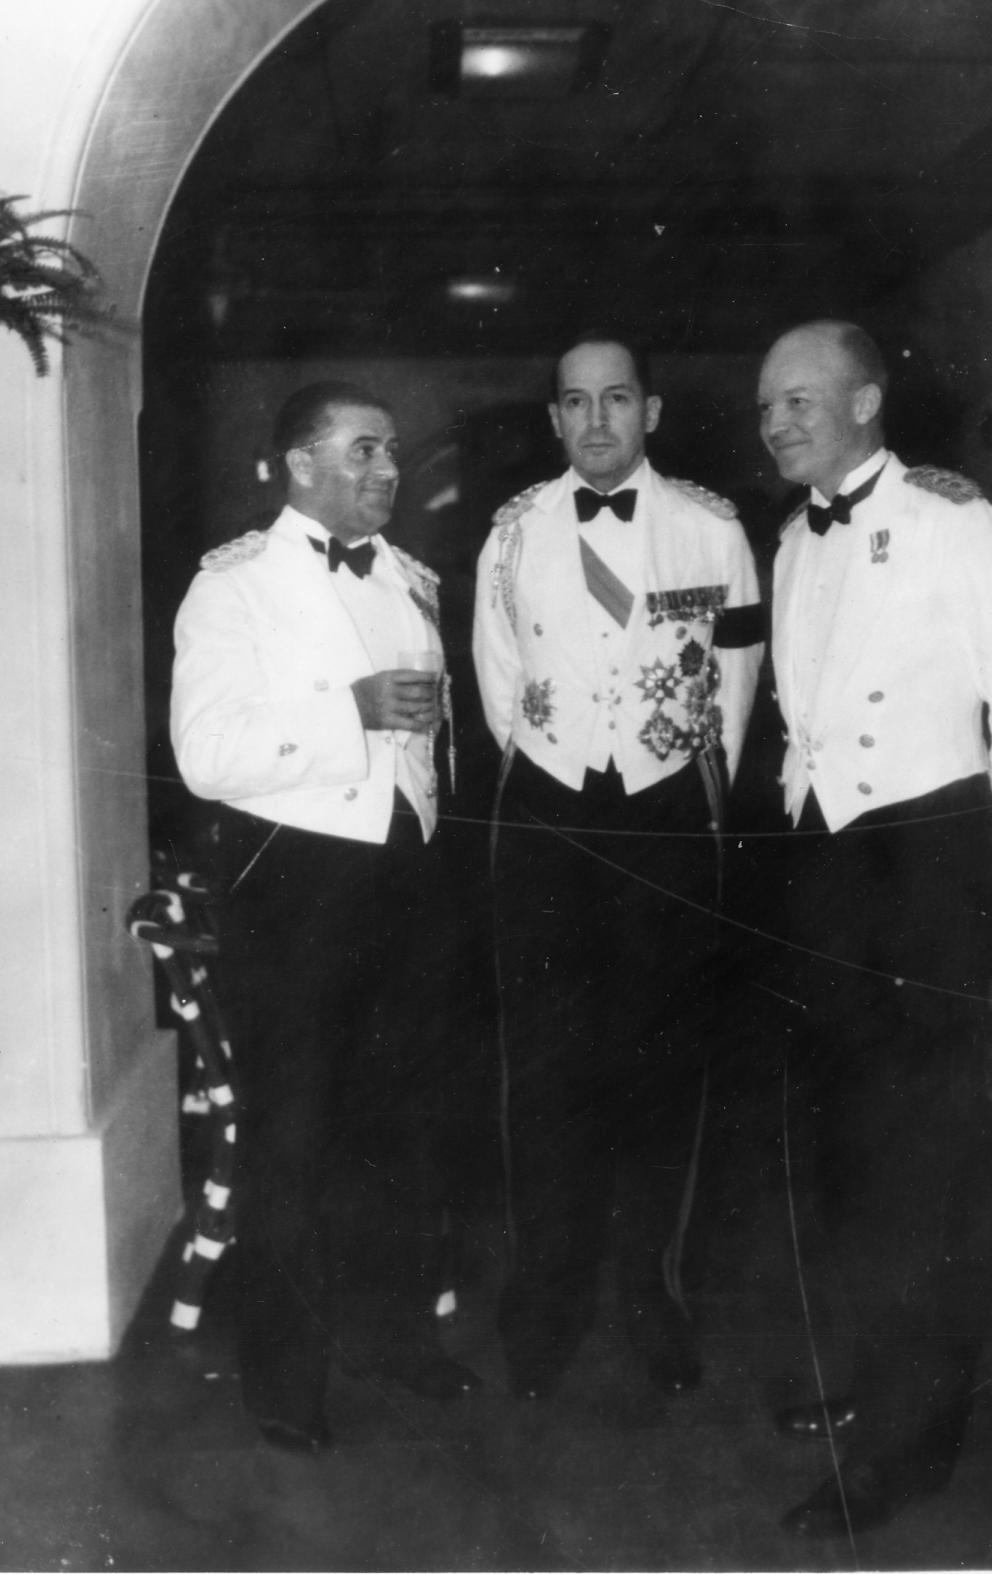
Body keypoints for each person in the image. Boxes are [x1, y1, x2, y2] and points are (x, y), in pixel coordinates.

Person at [756, 322, 992, 1536]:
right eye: (766, 406)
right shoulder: (794, 542)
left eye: (801, 398)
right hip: (830, 874)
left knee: (926, 1171)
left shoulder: (959, 522)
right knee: (849, 1155)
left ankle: (912, 1442)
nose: (778, 421)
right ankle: (872, 1384)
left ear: (867, 400)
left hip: (932, 870)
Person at [171, 381, 479, 1454]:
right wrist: (344, 708)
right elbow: (205, 756)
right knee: (295, 1134)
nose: (387, 470)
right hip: (295, 881)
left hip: (407, 875)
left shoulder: (412, 579)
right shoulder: (234, 588)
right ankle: (285, 1381)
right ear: (299, 463)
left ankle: (393, 1333)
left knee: (403, 1123)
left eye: (391, 451)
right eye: (362, 452)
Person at [472, 332, 764, 1400]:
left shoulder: (713, 530)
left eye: (617, 399)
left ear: (652, 409)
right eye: (575, 402)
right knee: (544, 1069)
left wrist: (684, 784)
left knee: (665, 1064)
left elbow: (734, 680)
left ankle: (653, 1293)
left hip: (668, 810)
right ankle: (545, 1297)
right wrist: (562, 766)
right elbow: (501, 687)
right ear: (553, 419)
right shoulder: (511, 537)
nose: (596, 420)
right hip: (548, 811)